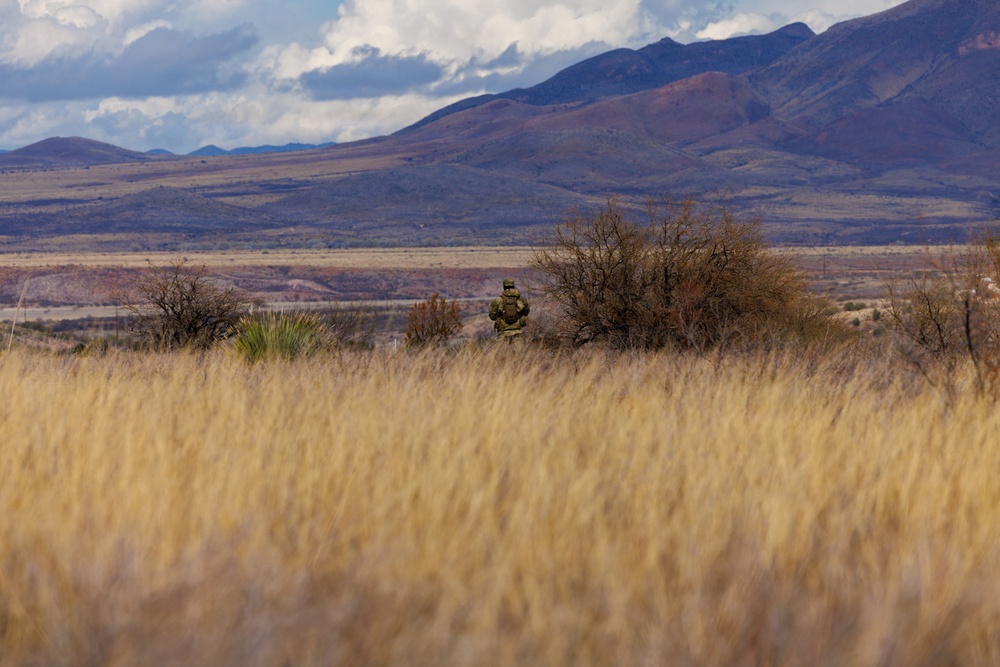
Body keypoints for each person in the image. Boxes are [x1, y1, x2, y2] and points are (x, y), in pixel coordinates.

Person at [488, 278, 530, 347]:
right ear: (513, 286)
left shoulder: (498, 300)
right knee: (519, 356)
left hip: (503, 332)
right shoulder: (521, 299)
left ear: (504, 286)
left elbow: (492, 316)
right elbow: (526, 312)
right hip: (517, 331)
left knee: (502, 356)